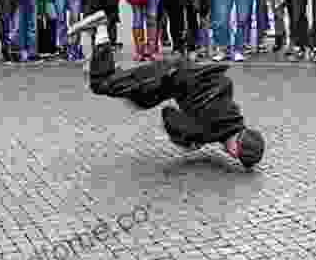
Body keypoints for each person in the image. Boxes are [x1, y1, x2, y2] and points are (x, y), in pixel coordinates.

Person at [68, 10, 266, 171]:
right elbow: (169, 115)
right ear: (236, 150)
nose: (230, 156)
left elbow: (222, 82)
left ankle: (101, 62)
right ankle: (101, 29)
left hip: (176, 74)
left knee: (141, 100)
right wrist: (189, 141)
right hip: (166, 76)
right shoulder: (211, 129)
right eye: (235, 156)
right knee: (102, 84)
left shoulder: (232, 115)